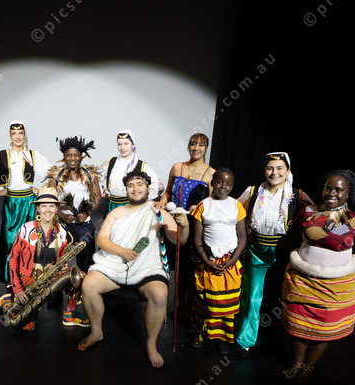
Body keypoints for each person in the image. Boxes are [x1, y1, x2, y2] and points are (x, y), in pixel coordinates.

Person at [77, 170, 189, 368]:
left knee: (160, 296)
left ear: (147, 188)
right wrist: (121, 251)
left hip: (147, 267)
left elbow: (178, 240)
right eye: (131, 186)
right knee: (89, 285)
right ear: (126, 190)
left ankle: (151, 344)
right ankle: (96, 332)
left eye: (139, 185)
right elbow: (102, 240)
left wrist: (184, 226)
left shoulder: (159, 213)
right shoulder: (116, 212)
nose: (135, 189)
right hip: (115, 265)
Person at [280, 170, 355, 385]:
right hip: (302, 282)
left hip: (334, 287)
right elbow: (295, 235)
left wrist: (342, 272)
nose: (331, 193)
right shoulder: (309, 211)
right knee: (296, 325)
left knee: (321, 329)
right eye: (328, 188)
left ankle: (309, 366)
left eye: (338, 190)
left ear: (348, 193)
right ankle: (296, 363)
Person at [234, 152, 313, 357]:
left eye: (279, 168)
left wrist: (296, 239)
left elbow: (314, 220)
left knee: (277, 298)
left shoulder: (297, 195)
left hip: (282, 254)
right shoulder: (253, 192)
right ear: (264, 170)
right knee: (253, 296)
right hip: (256, 252)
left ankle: (271, 338)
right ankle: (246, 339)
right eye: (270, 168)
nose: (274, 172)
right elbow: (233, 211)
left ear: (288, 171)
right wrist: (245, 230)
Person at [0, 186, 88, 330]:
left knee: (81, 278)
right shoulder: (26, 229)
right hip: (29, 278)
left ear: (57, 209)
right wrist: (17, 289)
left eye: (52, 206)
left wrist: (63, 266)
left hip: (50, 275)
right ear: (37, 208)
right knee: (28, 326)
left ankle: (70, 313)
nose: (48, 210)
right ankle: (8, 300)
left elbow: (61, 258)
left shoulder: (62, 232)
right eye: (43, 206)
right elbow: (13, 259)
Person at [0, 121, 53, 295]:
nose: (17, 137)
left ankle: (28, 277)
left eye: (20, 133)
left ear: (25, 135)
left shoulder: (32, 155)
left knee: (30, 241)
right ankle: (10, 280)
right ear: (10, 135)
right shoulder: (2, 155)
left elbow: (52, 172)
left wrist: (42, 189)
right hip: (12, 204)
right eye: (14, 133)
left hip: (29, 202)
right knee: (10, 242)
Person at [155, 132, 215, 321]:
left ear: (206, 148)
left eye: (201, 145)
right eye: (193, 144)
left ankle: (191, 309)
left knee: (190, 270)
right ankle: (180, 307)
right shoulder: (177, 167)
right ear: (188, 146)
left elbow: (213, 203)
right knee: (175, 269)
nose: (196, 148)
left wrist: (201, 209)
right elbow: (167, 192)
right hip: (172, 224)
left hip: (195, 227)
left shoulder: (211, 173)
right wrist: (161, 202)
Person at [190, 168, 247, 355]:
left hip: (230, 262)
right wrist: (206, 261)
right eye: (220, 182)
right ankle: (200, 333)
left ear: (232, 186)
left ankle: (222, 337)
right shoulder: (203, 206)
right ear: (212, 182)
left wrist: (232, 261)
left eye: (228, 183)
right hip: (209, 261)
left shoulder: (236, 206)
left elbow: (242, 238)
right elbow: (197, 239)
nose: (224, 186)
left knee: (227, 304)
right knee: (204, 301)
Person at [45, 135, 102, 274]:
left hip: (85, 226)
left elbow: (97, 197)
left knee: (86, 264)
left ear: (81, 157)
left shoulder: (90, 175)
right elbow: (50, 200)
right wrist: (62, 215)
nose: (72, 158)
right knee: (58, 263)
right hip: (63, 226)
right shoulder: (56, 176)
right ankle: (58, 287)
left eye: (76, 155)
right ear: (64, 156)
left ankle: (84, 287)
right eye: (69, 155)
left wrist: (87, 213)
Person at [98, 129, 164, 216]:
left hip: (132, 207)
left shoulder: (141, 165)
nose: (122, 148)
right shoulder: (111, 162)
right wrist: (103, 193)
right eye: (119, 144)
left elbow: (159, 187)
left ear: (133, 145)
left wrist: (141, 199)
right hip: (111, 206)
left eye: (126, 144)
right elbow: (95, 178)